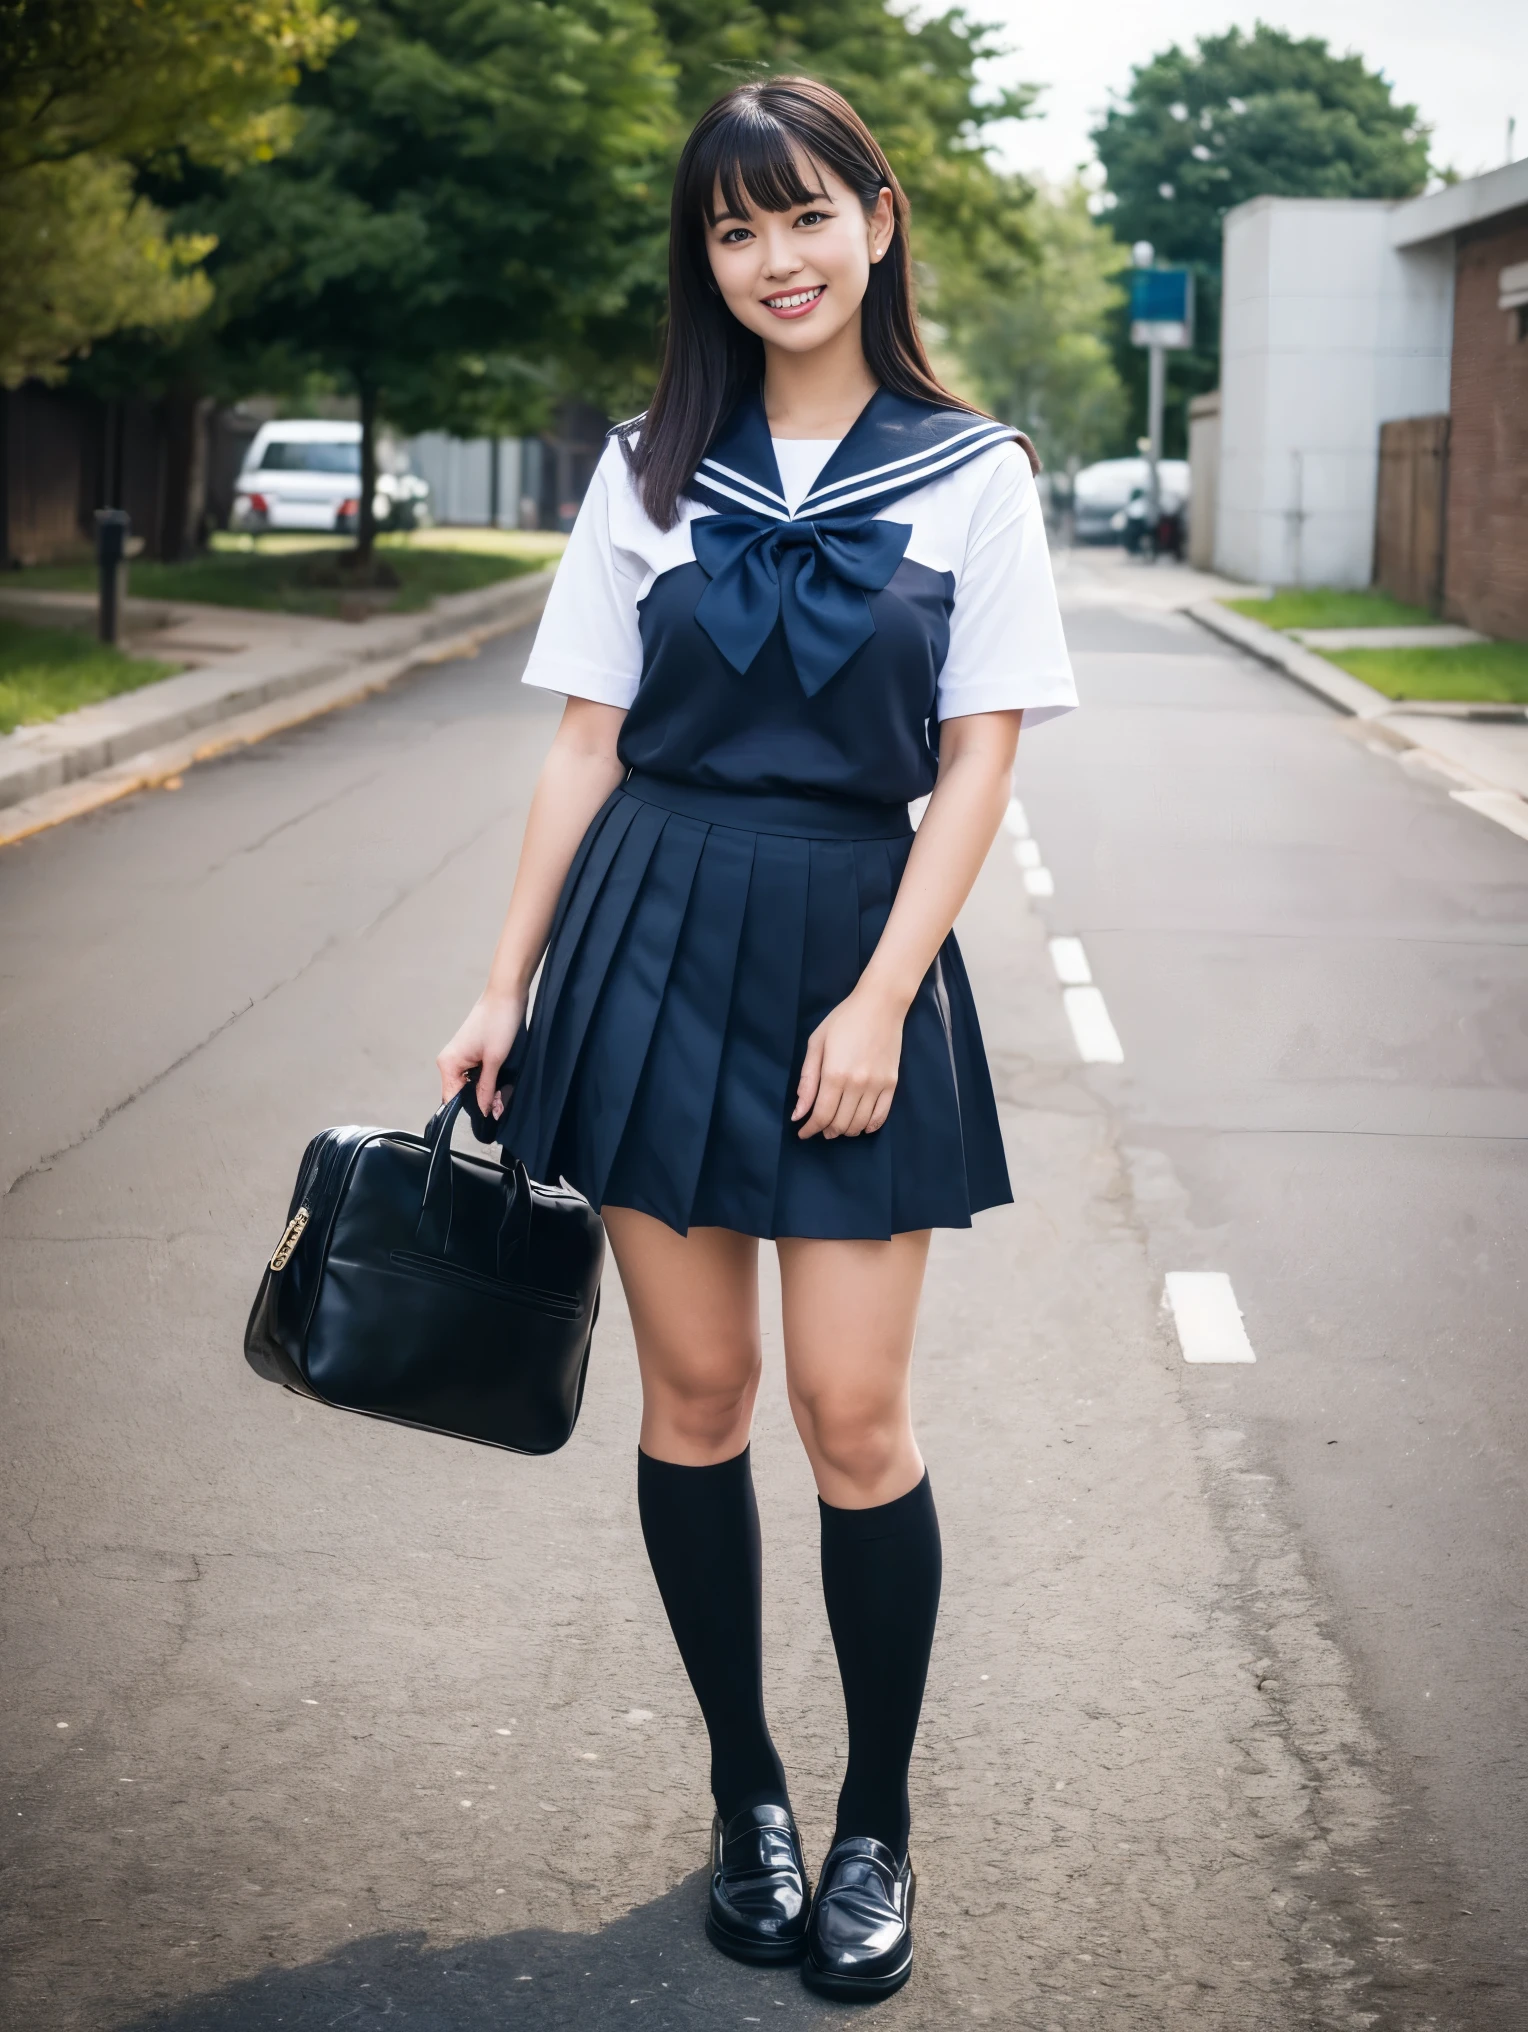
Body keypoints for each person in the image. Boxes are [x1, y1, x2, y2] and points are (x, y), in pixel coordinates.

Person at [437, 75, 1075, 2002]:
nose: (773, 259)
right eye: (734, 229)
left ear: (878, 221)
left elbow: (980, 760)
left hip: (844, 934)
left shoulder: (974, 473)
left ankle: (876, 1819)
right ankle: (748, 1796)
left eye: (803, 216)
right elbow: (583, 742)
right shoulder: (647, 466)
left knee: (853, 1420)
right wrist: (502, 981)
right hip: (647, 939)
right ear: (702, 262)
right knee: (694, 1402)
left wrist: (881, 994)